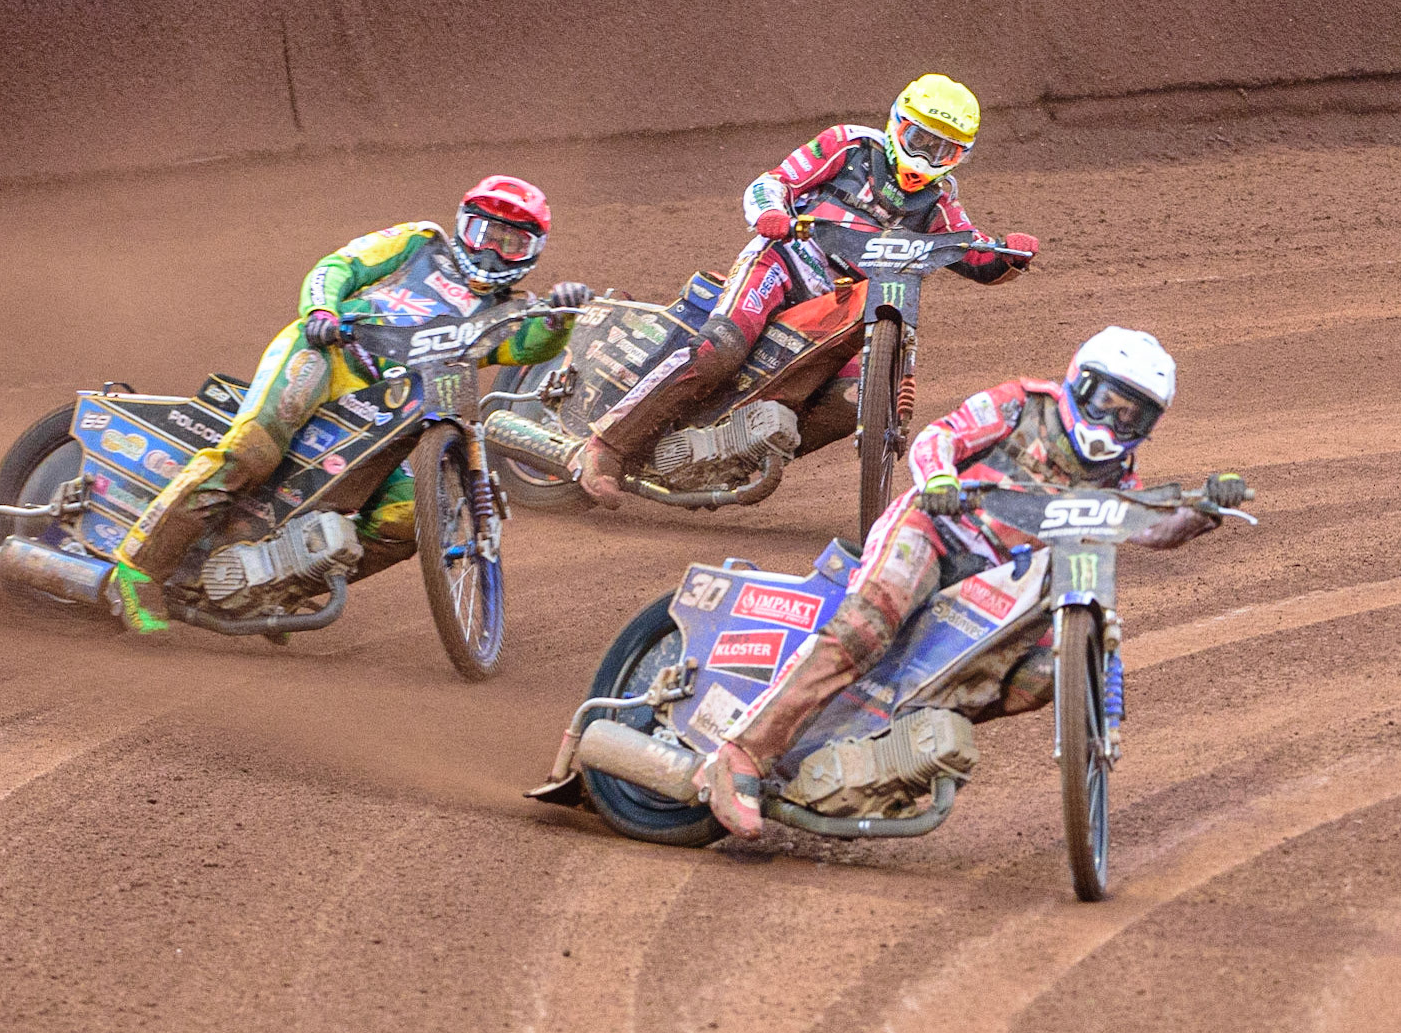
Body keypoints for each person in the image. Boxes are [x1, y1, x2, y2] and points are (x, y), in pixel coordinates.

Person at [699, 327, 1249, 838]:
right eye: (1107, 404)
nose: (1112, 426)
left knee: (1040, 674)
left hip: (993, 588)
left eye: (1133, 418)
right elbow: (940, 436)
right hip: (935, 533)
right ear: (1079, 384)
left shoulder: (1117, 477)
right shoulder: (1022, 404)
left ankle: (881, 748)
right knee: (867, 627)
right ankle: (742, 756)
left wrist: (1205, 509)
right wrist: (939, 479)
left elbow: (1150, 527)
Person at [105, 175, 593, 633]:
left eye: (510, 241)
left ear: (533, 250)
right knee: (252, 452)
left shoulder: (509, 311)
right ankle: (136, 572)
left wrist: (560, 318)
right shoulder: (419, 242)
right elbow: (338, 266)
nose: (491, 250)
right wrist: (321, 311)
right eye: (484, 231)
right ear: (463, 224)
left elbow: (528, 347)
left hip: (390, 414)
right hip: (328, 359)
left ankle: (277, 589)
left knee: (407, 520)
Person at [576, 73, 1041, 507]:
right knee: (721, 348)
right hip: (784, 262)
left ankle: (736, 454)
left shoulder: (940, 201)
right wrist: (770, 215)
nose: (927, 159)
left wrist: (1009, 255)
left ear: (960, 156)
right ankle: (606, 448)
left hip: (852, 305)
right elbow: (772, 182)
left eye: (944, 151)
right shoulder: (850, 145)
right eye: (920, 140)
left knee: (850, 404)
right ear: (898, 125)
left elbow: (972, 252)